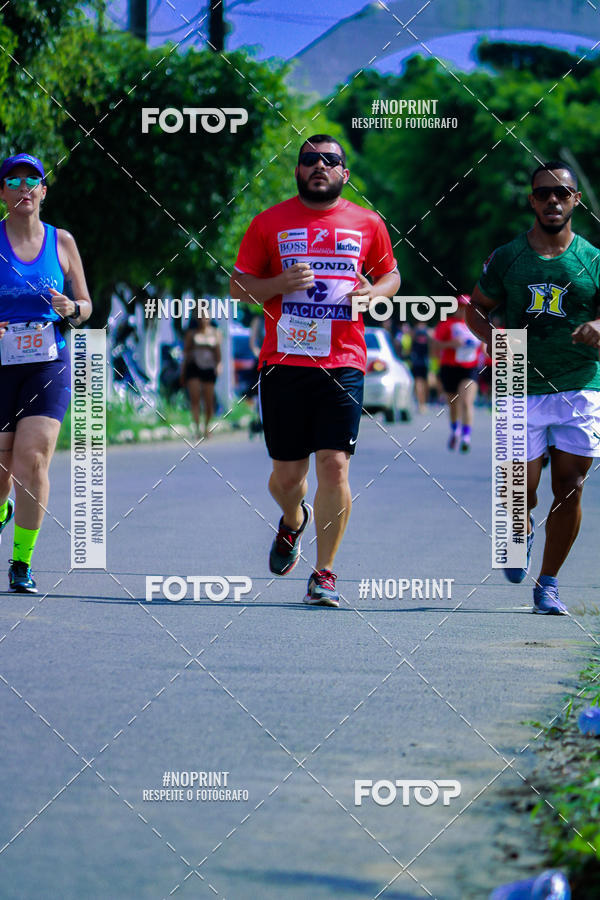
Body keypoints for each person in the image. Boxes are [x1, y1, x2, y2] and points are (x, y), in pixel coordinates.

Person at [230, 134, 400, 607]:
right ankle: (292, 520)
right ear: (298, 171)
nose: (319, 166)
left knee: (334, 464)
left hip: (343, 360)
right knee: (287, 477)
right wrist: (278, 284)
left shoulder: (368, 222)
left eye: (330, 160)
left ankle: (324, 573)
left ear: (345, 173)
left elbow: (391, 275)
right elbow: (238, 286)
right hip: (283, 362)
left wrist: (376, 294)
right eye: (309, 160)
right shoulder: (269, 222)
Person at [467, 159, 600, 615]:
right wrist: (496, 341)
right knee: (518, 488)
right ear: (532, 200)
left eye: (562, 193)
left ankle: (548, 583)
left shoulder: (593, 259)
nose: (552, 201)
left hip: (582, 384)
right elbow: (477, 309)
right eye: (543, 193)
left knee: (572, 485)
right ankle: (517, 527)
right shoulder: (508, 256)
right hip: (517, 379)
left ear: (575, 201)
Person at [0, 153, 92, 592]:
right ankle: (4, 510)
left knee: (32, 459)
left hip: (47, 362)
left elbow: (86, 306)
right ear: (2, 193)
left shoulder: (62, 241)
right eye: (13, 181)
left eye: (31, 181)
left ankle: (21, 562)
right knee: (2, 469)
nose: (23, 189)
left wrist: (73, 309)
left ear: (43, 191)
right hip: (0, 364)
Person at [433, 295, 481, 452]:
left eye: (466, 307)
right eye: (460, 307)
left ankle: (466, 437)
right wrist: (451, 344)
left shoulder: (477, 325)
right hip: (449, 367)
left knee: (467, 402)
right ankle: (455, 431)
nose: (463, 310)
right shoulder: (446, 324)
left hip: (470, 368)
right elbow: (435, 346)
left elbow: (486, 346)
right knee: (453, 404)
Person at [181, 314, 221, 438]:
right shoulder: (192, 334)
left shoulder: (215, 333)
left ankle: (207, 427)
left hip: (209, 368)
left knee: (209, 401)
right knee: (195, 398)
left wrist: (219, 367)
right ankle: (197, 428)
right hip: (194, 368)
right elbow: (185, 353)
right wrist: (183, 372)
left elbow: (218, 354)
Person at [409, 323, 431, 414]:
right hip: (423, 361)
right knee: (422, 383)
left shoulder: (414, 332)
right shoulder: (428, 332)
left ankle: (421, 404)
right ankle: (422, 404)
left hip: (418, 360)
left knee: (420, 383)